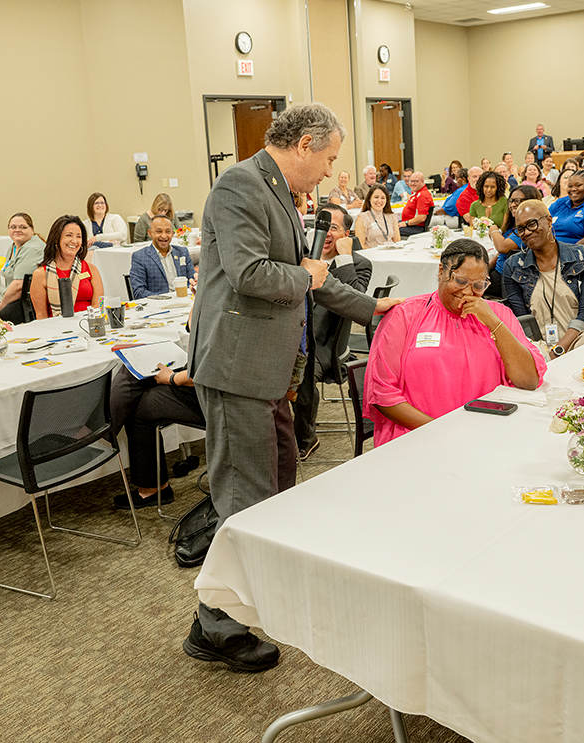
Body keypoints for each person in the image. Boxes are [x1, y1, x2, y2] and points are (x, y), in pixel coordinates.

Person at [185, 103, 399, 672]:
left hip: (270, 369)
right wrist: (310, 275)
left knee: (274, 488)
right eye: (328, 158)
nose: (330, 171)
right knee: (241, 496)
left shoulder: (278, 189)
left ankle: (230, 601)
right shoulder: (239, 184)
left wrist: (375, 308)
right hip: (237, 367)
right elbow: (252, 275)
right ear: (304, 145)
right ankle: (217, 628)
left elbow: (309, 277)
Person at [364, 239, 545, 446]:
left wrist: (493, 322)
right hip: (417, 437)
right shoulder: (405, 315)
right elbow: (383, 394)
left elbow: (529, 380)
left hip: (488, 436)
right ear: (441, 271)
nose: (468, 292)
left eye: (478, 285)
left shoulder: (499, 315)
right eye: (460, 281)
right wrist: (442, 433)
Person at [292, 204, 373, 460]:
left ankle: (306, 436)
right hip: (293, 337)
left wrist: (345, 257)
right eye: (321, 227)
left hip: (327, 346)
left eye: (333, 228)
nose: (325, 233)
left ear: (346, 234)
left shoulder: (359, 264)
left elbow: (357, 302)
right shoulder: (301, 258)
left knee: (301, 372)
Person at [503, 201, 584, 356]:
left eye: (532, 224)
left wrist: (558, 350)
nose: (527, 232)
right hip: (541, 344)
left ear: (549, 220)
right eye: (520, 229)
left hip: (582, 336)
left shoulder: (583, 256)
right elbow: (523, 321)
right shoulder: (513, 267)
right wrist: (543, 352)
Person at [108, 359, 205, 510]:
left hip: (225, 397)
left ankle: (95, 434)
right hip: (216, 385)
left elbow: (215, 369)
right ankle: (99, 430)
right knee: (137, 369)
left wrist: (173, 378)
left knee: (140, 404)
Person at [29, 215, 104, 318]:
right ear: (56, 238)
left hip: (89, 325)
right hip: (58, 329)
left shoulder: (91, 269)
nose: (74, 241)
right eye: (69, 235)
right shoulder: (41, 274)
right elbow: (41, 315)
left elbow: (98, 306)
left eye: (79, 236)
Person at [0, 213, 46, 323]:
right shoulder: (15, 246)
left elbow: (19, 285)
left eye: (22, 227)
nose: (17, 230)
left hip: (23, 301)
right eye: (13, 227)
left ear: (31, 230)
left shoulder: (32, 249)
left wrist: (2, 304)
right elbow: (15, 270)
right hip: (9, 296)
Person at [485, 184, 539, 294]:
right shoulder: (512, 227)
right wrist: (485, 269)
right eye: (511, 201)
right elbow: (500, 256)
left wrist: (494, 229)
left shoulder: (528, 228)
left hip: (507, 280)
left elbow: (502, 248)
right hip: (497, 273)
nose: (513, 204)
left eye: (518, 201)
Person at [129, 215, 195, 299]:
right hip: (158, 306)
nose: (164, 236)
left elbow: (192, 280)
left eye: (168, 231)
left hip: (184, 302)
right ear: (150, 233)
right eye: (159, 231)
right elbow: (139, 292)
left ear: (172, 233)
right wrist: (165, 298)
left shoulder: (182, 252)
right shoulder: (140, 257)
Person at [398, 170, 433, 236]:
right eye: (411, 181)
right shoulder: (417, 193)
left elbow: (422, 217)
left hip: (416, 227)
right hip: (411, 224)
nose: (412, 183)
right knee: (390, 225)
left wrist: (406, 223)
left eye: (416, 181)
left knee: (391, 231)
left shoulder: (423, 195)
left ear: (422, 181)